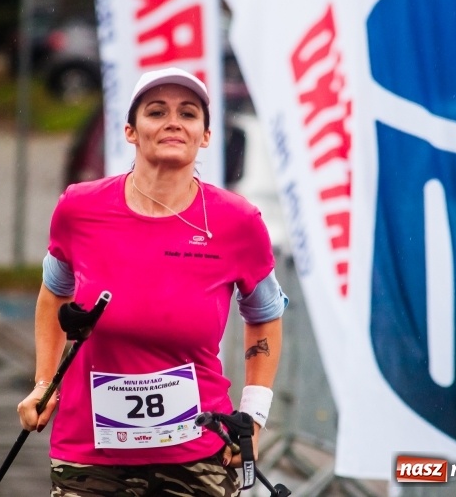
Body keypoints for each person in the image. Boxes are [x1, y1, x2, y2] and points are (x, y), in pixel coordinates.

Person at [17, 67, 288, 496]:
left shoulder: (238, 222)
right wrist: (43, 383)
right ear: (130, 131)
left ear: (205, 136)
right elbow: (54, 292)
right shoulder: (79, 209)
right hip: (90, 454)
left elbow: (267, 316)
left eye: (188, 113)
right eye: (156, 111)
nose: (173, 121)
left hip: (199, 453)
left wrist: (253, 417)